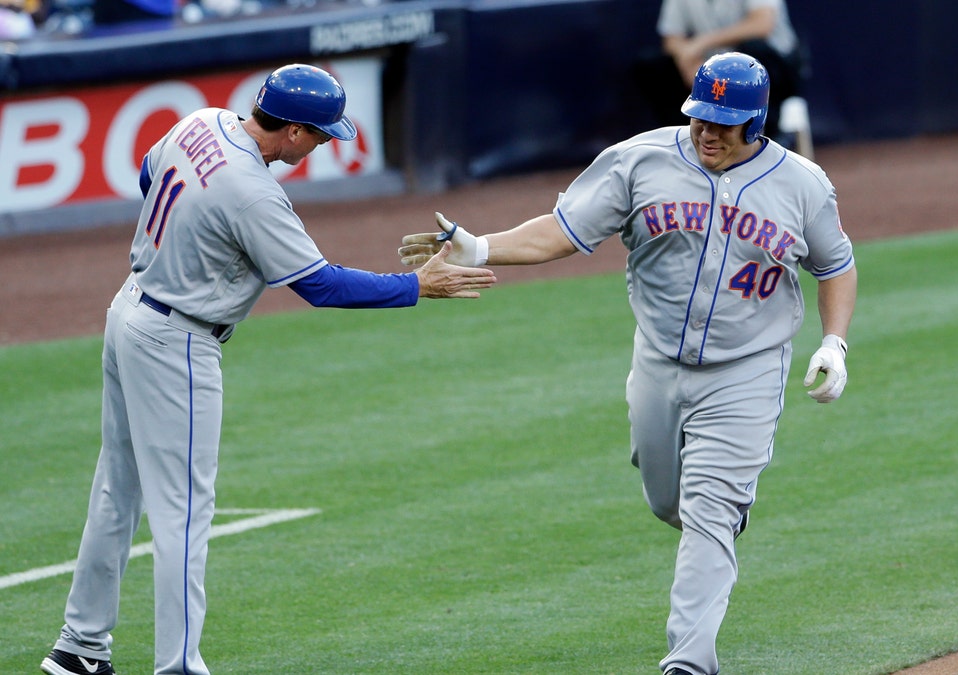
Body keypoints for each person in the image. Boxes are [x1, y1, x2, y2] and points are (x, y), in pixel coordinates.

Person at [399, 52, 856, 675]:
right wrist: (481, 246)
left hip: (747, 368)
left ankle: (689, 661)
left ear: (757, 123)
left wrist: (834, 343)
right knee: (666, 499)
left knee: (708, 509)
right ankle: (718, 517)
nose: (707, 133)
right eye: (700, 118)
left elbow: (835, 264)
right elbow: (561, 230)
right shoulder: (639, 161)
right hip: (658, 359)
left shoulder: (802, 185)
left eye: (724, 124)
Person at [39, 64, 495, 675]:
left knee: (116, 493)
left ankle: (79, 648)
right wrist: (417, 285)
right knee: (183, 513)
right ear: (296, 132)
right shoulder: (252, 191)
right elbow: (321, 286)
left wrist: (193, 241)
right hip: (177, 340)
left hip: (129, 312)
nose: (323, 144)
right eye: (321, 134)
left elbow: (149, 173)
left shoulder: (201, 123)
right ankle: (176, 667)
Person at [633, 0, 810, 148]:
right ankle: (681, 143)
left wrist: (701, 43)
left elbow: (761, 24)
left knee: (755, 50)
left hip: (775, 66)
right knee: (651, 65)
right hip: (713, 71)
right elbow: (672, 39)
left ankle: (766, 138)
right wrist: (691, 65)